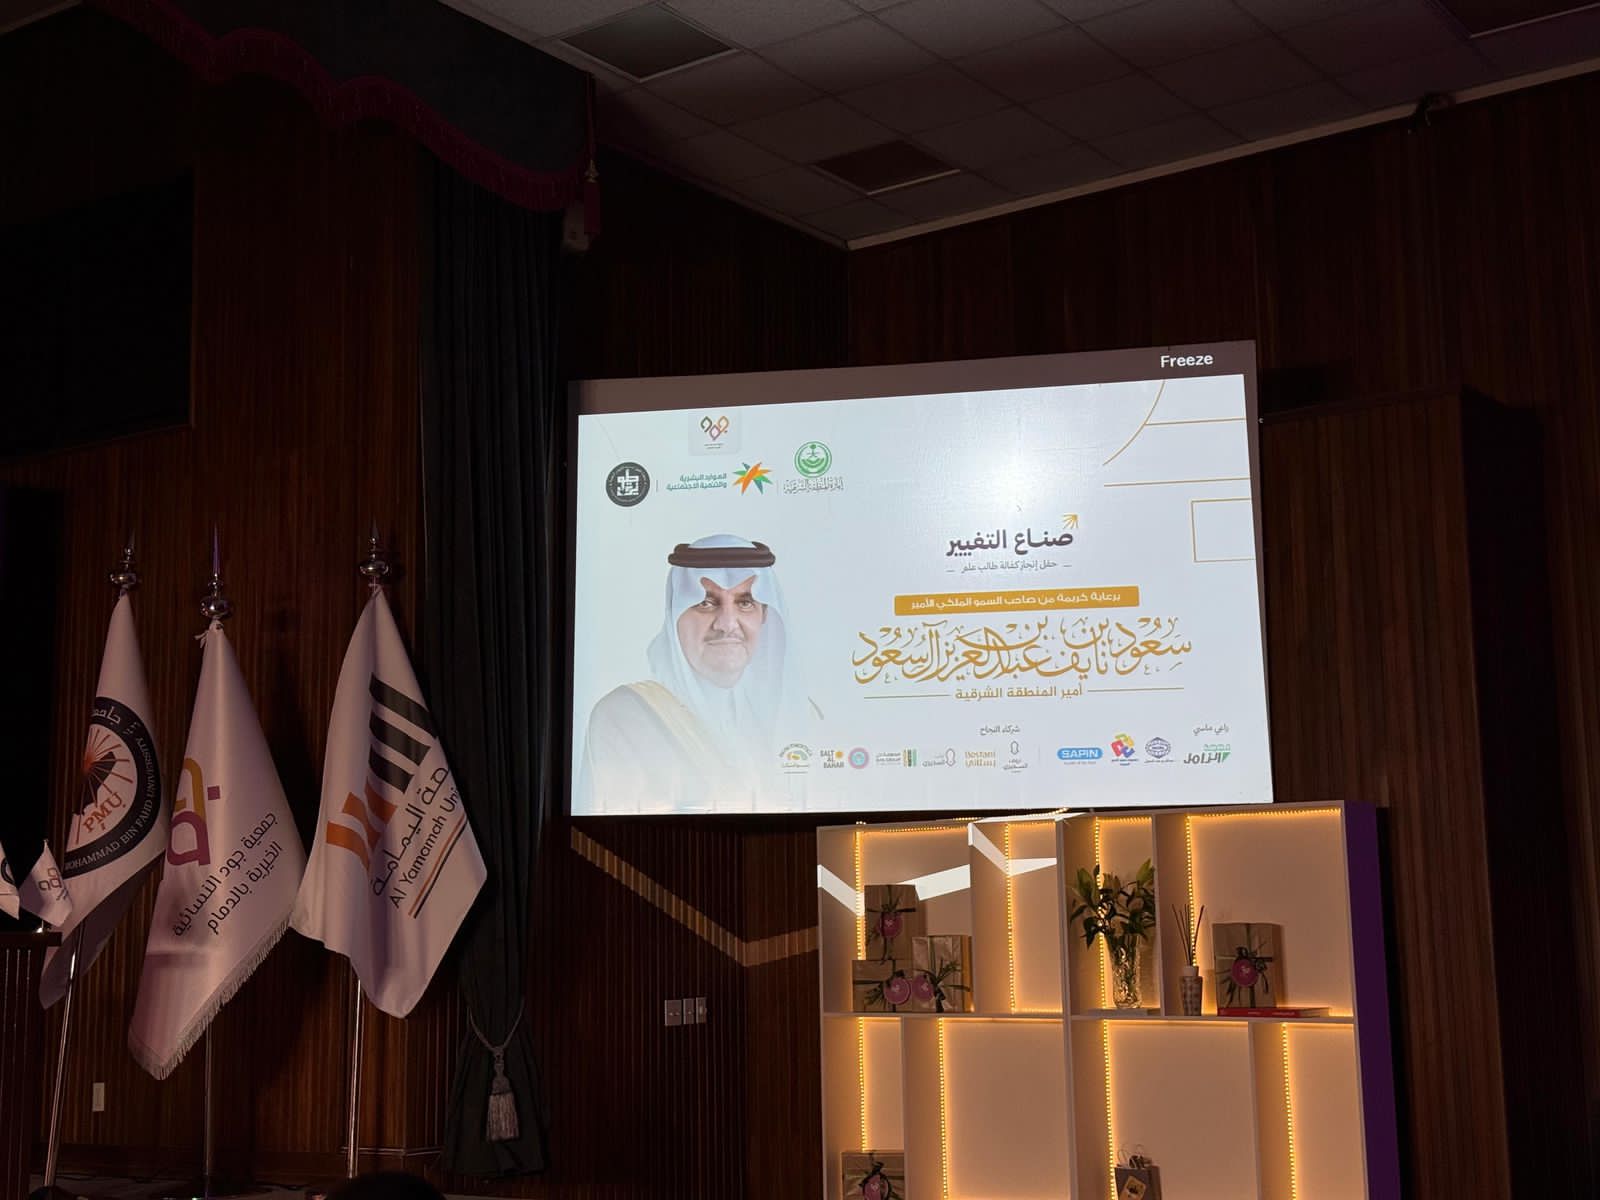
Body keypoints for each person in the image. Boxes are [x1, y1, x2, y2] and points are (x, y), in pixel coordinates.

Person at [577, 534, 813, 813]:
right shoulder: (627, 715)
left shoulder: (788, 716)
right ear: (674, 617)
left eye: (745, 603)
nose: (727, 624)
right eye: (706, 604)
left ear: (764, 616)